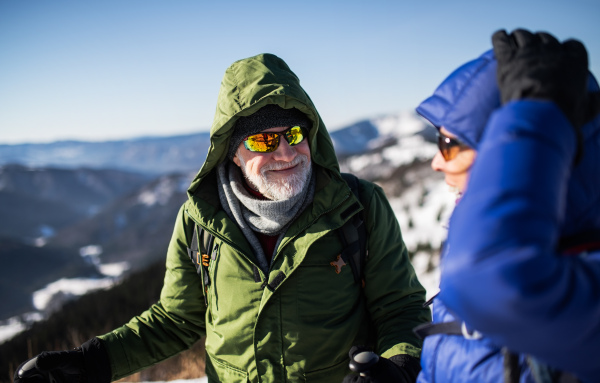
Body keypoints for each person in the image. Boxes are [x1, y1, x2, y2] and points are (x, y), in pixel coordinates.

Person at [14, 53, 430, 383]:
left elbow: (400, 307)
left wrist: (398, 365)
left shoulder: (359, 207)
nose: (285, 152)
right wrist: (92, 363)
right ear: (231, 151)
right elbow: (175, 320)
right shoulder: (200, 221)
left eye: (295, 134)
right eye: (264, 139)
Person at [414, 29, 600, 383]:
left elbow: (490, 277)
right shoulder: (480, 244)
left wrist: (536, 111)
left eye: (449, 143)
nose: (437, 162)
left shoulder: (513, 266)